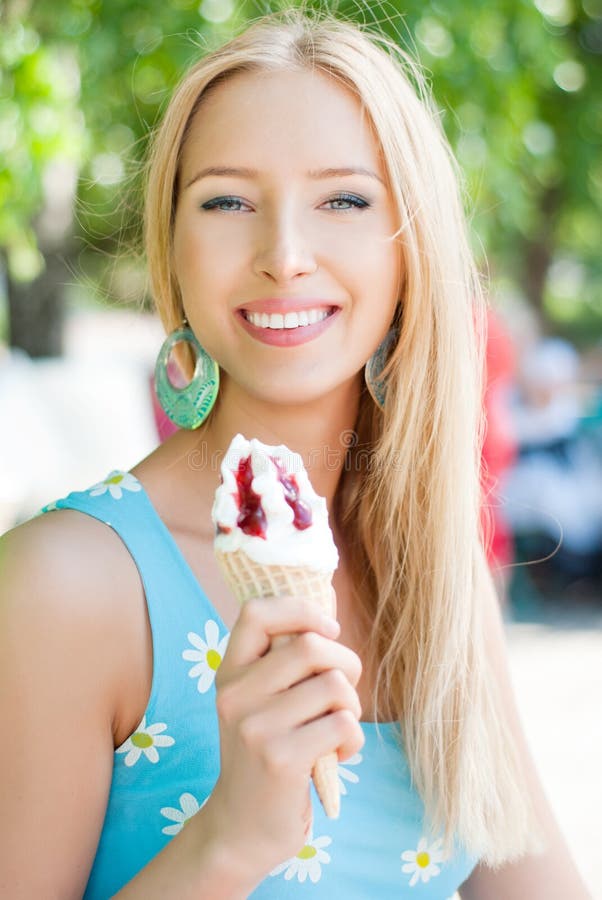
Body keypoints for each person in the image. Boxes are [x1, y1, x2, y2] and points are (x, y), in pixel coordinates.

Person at [0, 9, 591, 899]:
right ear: (174, 244)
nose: (284, 255)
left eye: (344, 200)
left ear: (409, 250)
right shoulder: (67, 585)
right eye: (228, 200)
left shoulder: (434, 564)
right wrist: (228, 841)